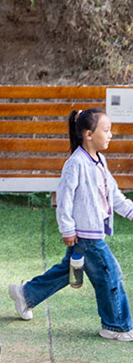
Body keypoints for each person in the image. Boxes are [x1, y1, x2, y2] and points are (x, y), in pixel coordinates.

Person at [9, 108, 133, 341]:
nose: (110, 135)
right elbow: (64, 199)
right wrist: (67, 229)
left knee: (69, 271)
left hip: (93, 231)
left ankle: (25, 294)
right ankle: (116, 326)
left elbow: (113, 194)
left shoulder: (100, 161)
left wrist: (130, 211)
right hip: (86, 236)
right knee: (111, 274)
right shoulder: (75, 163)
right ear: (88, 134)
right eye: (106, 130)